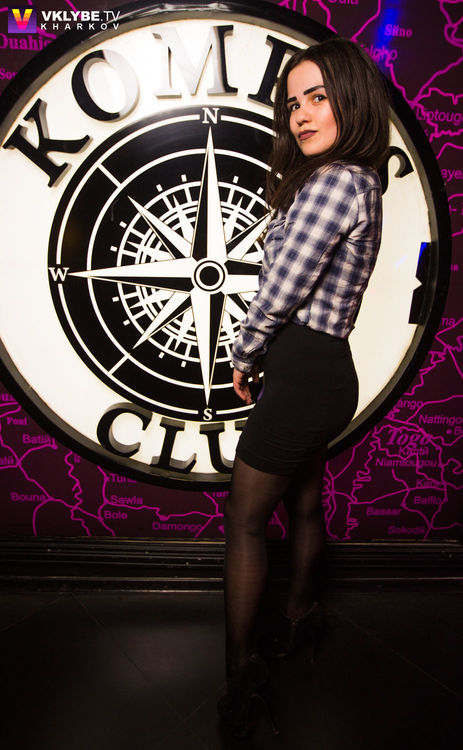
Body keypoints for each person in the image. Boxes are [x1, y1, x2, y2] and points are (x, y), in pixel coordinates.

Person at [217, 38, 390, 738]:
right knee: (306, 503)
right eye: (293, 103)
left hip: (301, 371)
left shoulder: (334, 182)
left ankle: (241, 677)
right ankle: (298, 621)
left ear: (351, 100)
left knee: (244, 521)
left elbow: (282, 289)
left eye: (318, 97)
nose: (301, 115)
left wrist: (244, 353)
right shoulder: (361, 181)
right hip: (324, 370)